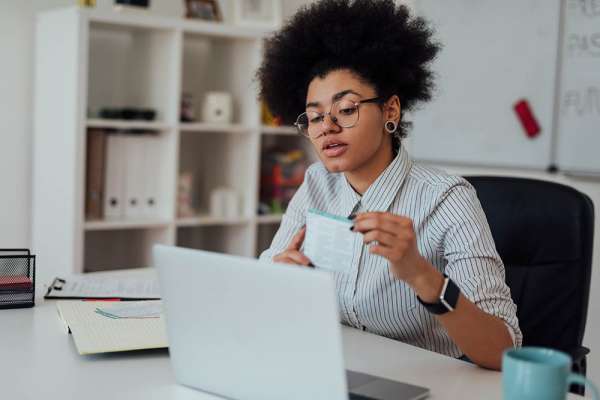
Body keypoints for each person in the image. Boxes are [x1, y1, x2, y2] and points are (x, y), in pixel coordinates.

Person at [256, 0, 521, 370]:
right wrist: (278, 280)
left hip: (430, 383)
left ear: (391, 111)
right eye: (314, 117)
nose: (326, 127)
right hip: (334, 372)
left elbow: (503, 351)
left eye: (346, 109)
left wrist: (420, 274)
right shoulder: (317, 185)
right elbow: (265, 282)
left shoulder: (446, 199)